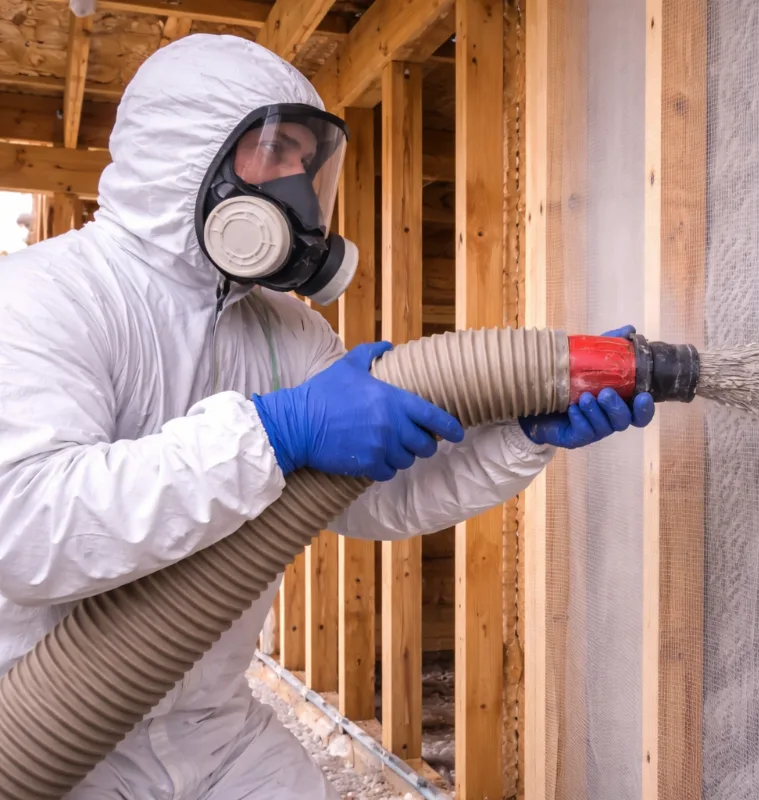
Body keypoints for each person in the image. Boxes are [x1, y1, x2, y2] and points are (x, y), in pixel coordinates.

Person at [0, 34, 653, 799]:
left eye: (309, 163)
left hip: (212, 727)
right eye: (275, 154)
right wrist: (271, 433)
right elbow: (26, 529)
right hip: (49, 731)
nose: (300, 188)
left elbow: (370, 493)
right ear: (189, 157)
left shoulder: (289, 331)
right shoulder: (45, 297)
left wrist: (516, 437)